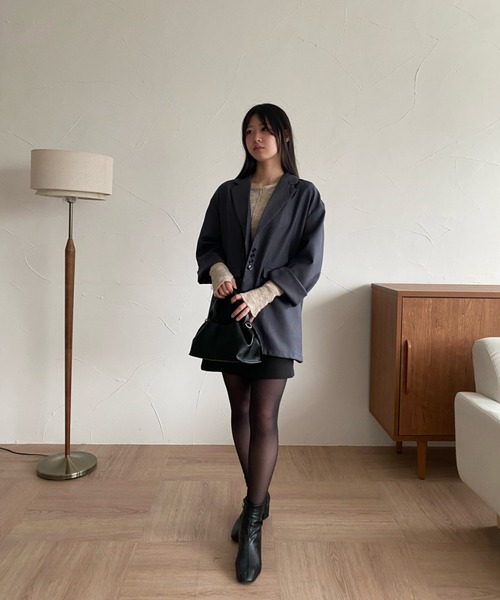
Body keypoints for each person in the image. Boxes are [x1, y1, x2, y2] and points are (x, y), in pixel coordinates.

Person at [195, 103, 325, 584]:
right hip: (232, 318)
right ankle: (259, 496)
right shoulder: (227, 192)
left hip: (275, 320)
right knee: (241, 410)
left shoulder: (304, 195)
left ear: (283, 136)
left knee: (265, 416)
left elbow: (310, 261)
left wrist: (265, 292)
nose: (256, 138)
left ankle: (252, 519)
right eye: (249, 130)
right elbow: (207, 245)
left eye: (265, 130)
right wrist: (219, 271)